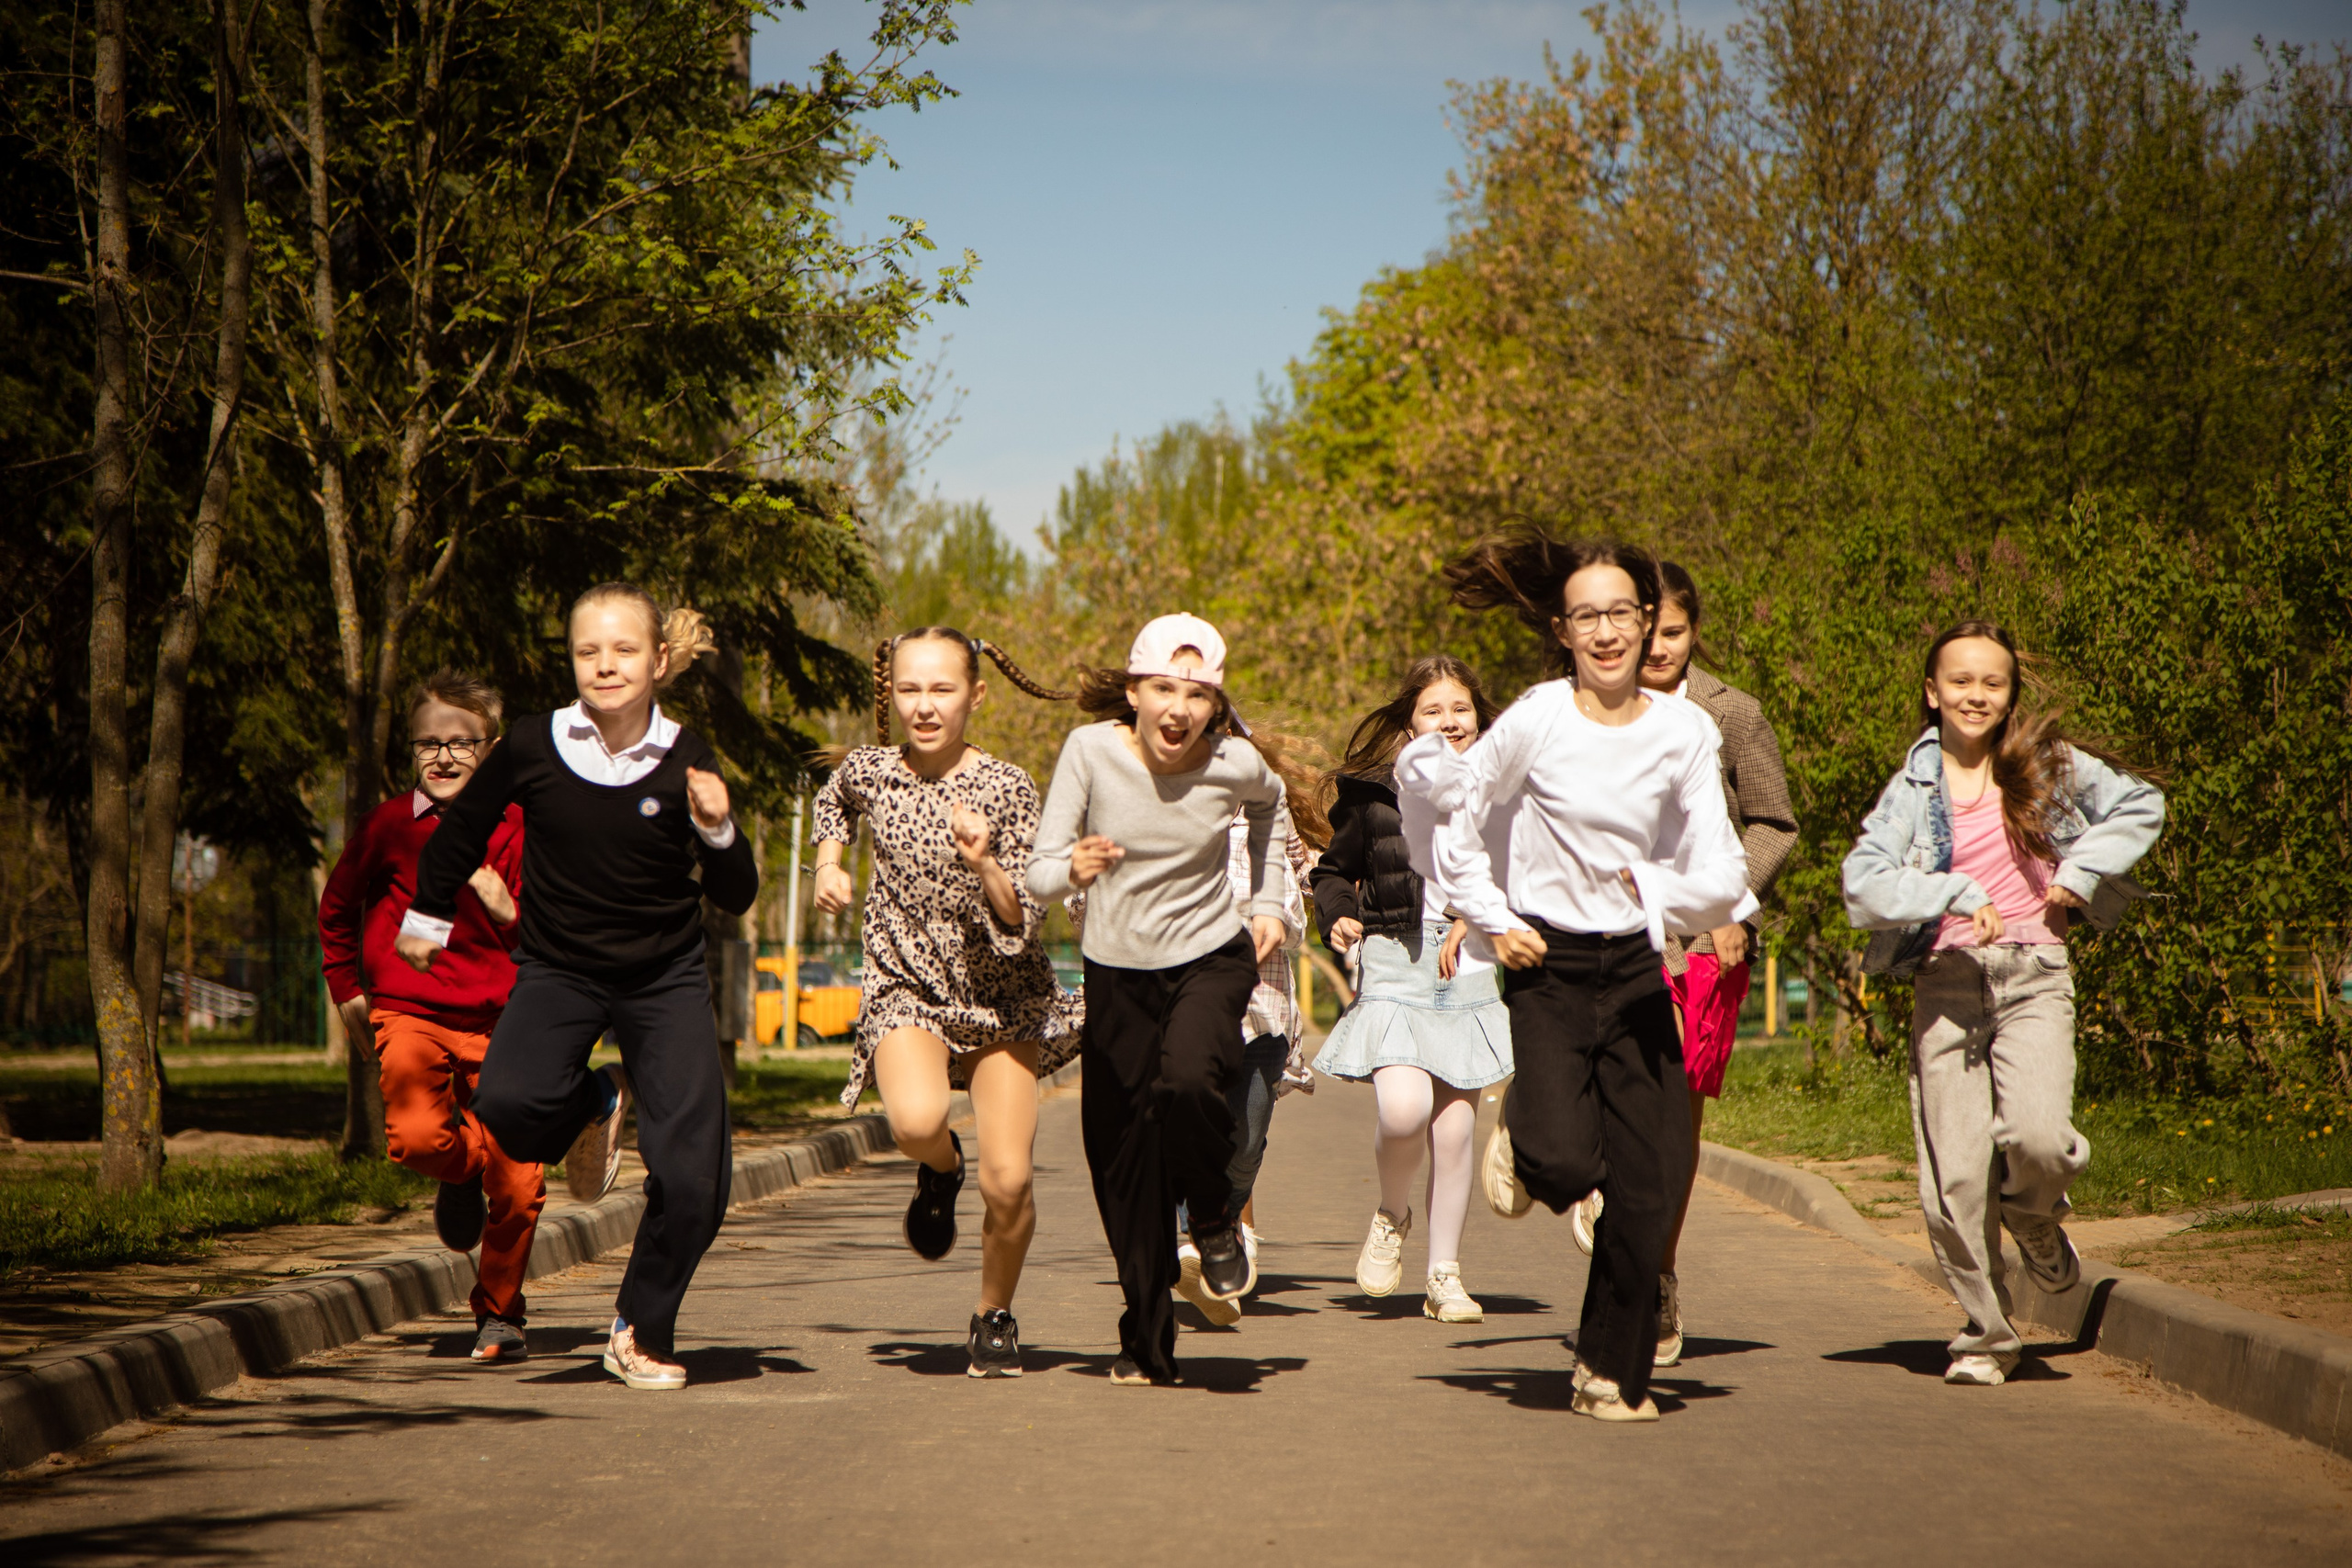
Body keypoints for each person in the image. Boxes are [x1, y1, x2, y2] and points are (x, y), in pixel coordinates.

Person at [1405, 530, 1755, 1422]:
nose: (1605, 632)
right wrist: (1495, 917)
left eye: (1621, 614)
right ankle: (1526, 1137)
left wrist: (1663, 890)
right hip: (1548, 964)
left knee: (1654, 1175)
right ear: (1562, 630)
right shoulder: (1537, 716)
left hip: (1638, 966)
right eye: (1585, 616)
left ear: (1648, 623)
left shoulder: (1687, 730)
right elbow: (1461, 813)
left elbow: (1721, 869)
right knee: (1566, 1158)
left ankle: (1608, 1369)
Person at [398, 583, 757, 1393]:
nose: (606, 665)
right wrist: (427, 912)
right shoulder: (533, 743)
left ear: (659, 660)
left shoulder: (689, 755)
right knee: (512, 1109)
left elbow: (735, 891)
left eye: (624, 649)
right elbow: (463, 827)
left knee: (696, 1176)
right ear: (572, 661)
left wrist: (718, 826)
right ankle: (595, 1102)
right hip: (560, 967)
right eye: (588, 651)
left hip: (663, 978)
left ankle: (640, 1325)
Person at [1843, 620, 2163, 1387]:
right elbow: (1863, 882)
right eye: (1959, 680)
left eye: (1992, 681)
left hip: (2034, 973)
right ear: (1932, 691)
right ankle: (1987, 1334)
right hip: (1947, 983)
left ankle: (2031, 1212)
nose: (1975, 694)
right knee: (1953, 1178)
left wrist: (2081, 872)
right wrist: (1952, 890)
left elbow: (2142, 805)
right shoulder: (1913, 788)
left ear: (2010, 692)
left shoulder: (2048, 766)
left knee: (2040, 1139)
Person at [1029, 613, 1290, 1387]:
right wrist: (1069, 869)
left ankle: (1211, 1217)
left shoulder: (1234, 763)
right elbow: (1039, 869)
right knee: (1124, 1160)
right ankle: (1145, 1337)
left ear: (1215, 703)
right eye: (1163, 689)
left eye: (1198, 694)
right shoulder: (1090, 753)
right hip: (1117, 972)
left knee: (1186, 1082)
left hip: (1211, 955)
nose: (1179, 708)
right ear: (1134, 693)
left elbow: (1272, 808)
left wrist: (1269, 900)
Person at [811, 626, 1080, 1379]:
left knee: (1012, 1180)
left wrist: (984, 860)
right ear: (889, 693)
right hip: (906, 984)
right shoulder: (870, 769)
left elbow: (1023, 916)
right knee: (917, 1121)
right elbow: (831, 798)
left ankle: (994, 1313)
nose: (923, 706)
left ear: (976, 694)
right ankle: (939, 1167)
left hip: (1001, 1000)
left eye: (941, 689)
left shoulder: (1008, 786)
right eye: (908, 690)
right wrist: (828, 865)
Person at [319, 669, 539, 1364]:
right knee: (416, 1138)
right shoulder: (390, 825)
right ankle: (460, 1170)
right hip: (410, 1010)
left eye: (462, 743)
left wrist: (509, 910)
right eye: (427, 744)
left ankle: (500, 1312)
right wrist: (347, 987)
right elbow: (336, 909)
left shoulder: (517, 826)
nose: (442, 757)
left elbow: (557, 935)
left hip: (505, 1022)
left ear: (493, 749)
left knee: (522, 1179)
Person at [1620, 563, 1797, 1367]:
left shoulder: (1733, 712)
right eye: (1643, 628)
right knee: (1613, 1099)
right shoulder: (1586, 710)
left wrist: (1729, 901)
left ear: (1695, 632)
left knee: (1675, 1119)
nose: (1655, 647)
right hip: (1613, 933)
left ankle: (1656, 1274)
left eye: (1673, 631)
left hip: (1704, 943)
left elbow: (1773, 823)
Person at [1310, 657, 1513, 1325]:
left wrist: (1475, 917)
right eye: (1434, 709)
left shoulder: (1504, 788)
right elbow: (1334, 870)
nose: (1450, 721)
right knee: (1403, 1110)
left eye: (1461, 708)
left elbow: (1524, 872)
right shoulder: (1373, 794)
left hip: (1470, 965)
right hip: (1396, 958)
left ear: (1479, 717)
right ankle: (1391, 1213)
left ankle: (1444, 1274)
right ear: (1408, 722)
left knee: (1454, 1131)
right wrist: (1338, 911)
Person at [1171, 774, 1322, 1328]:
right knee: (1188, 1120)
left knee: (1247, 1141)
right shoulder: (1150, 806)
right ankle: (1198, 1241)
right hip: (1182, 1004)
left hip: (1261, 1009)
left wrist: (1277, 920)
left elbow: (1293, 909)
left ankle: (1221, 1228)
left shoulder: (1268, 815)